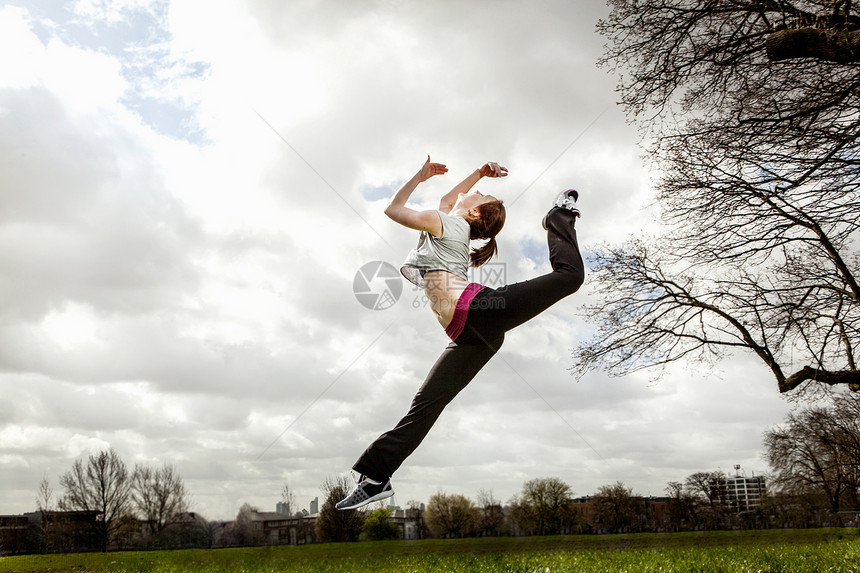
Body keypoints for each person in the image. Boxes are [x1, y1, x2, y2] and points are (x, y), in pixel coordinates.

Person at [336, 156, 584, 510]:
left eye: (478, 194)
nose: (474, 192)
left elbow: (394, 209)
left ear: (474, 215)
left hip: (480, 314)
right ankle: (376, 477)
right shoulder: (450, 225)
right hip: (469, 334)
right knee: (426, 405)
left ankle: (558, 217)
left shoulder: (446, 225)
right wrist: (479, 173)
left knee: (570, 278)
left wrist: (418, 177)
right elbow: (451, 198)